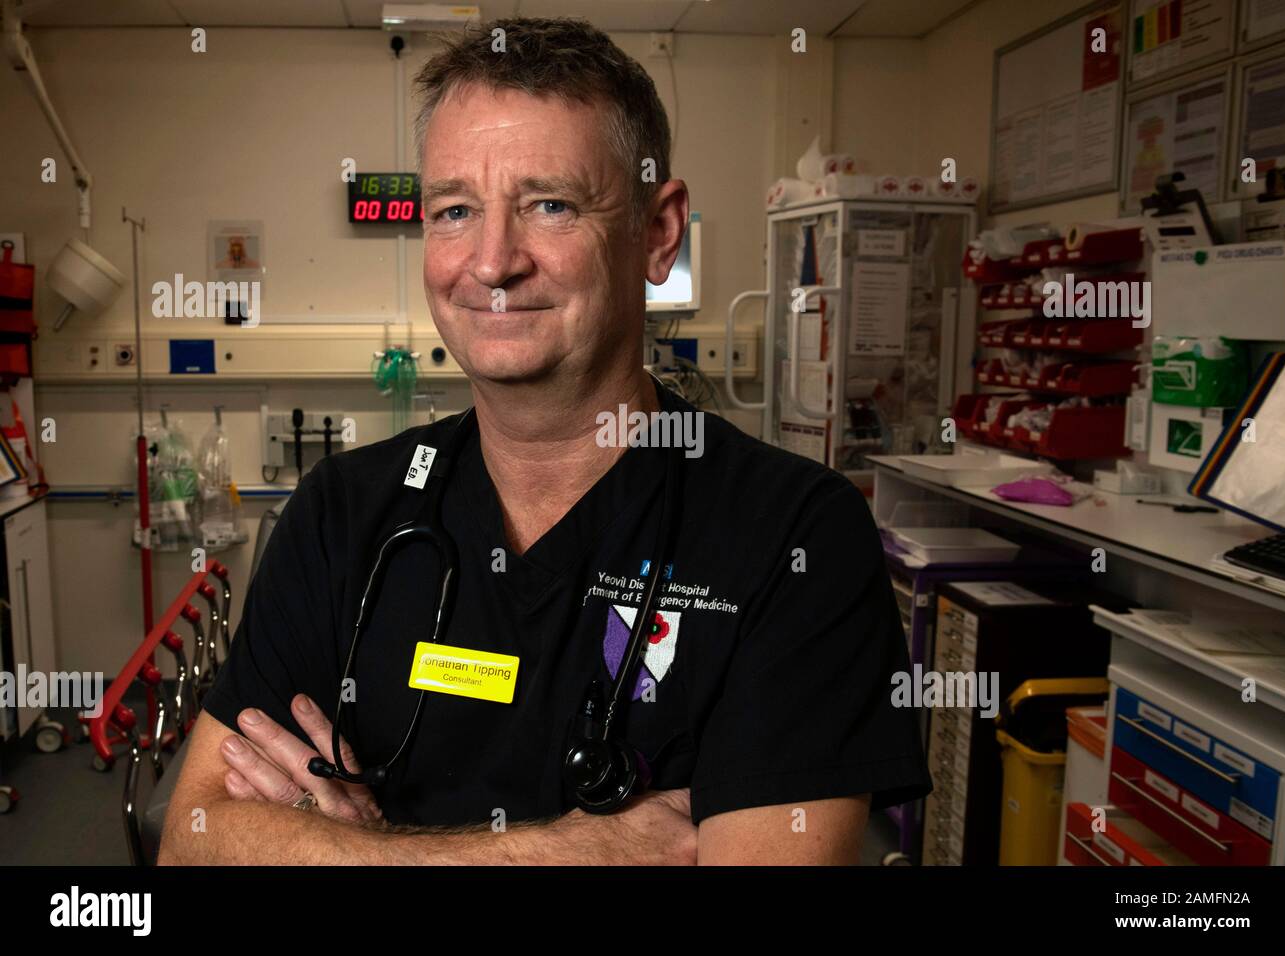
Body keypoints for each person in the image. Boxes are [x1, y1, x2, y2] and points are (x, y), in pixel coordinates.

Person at [159, 16, 930, 866]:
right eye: (455, 210)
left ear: (658, 230)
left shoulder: (793, 536)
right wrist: (582, 851)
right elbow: (194, 842)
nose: (492, 261)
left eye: (550, 205)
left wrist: (337, 850)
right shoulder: (342, 514)